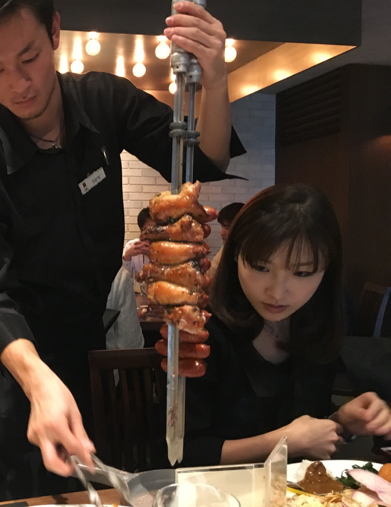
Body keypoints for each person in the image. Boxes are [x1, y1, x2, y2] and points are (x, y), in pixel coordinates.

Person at [0, 0, 245, 499]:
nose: (18, 84)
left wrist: (215, 79)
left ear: (54, 30)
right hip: (22, 373)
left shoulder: (102, 102)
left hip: (93, 354)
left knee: (96, 489)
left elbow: (202, 160)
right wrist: (38, 381)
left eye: (29, 58)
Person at [157, 184, 391, 467]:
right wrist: (283, 443)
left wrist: (341, 421)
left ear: (326, 269)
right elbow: (176, 455)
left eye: (302, 272)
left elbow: (304, 428)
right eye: (260, 267)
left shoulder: (315, 325)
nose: (277, 293)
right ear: (235, 253)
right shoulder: (199, 332)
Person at [206, 201, 244, 278]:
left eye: (227, 227)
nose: (222, 233)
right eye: (222, 226)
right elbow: (211, 272)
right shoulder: (226, 248)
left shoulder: (249, 253)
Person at [122, 207, 155, 284]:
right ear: (141, 230)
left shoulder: (166, 248)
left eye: (156, 229)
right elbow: (124, 281)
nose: (153, 234)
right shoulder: (131, 246)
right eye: (148, 229)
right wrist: (127, 256)